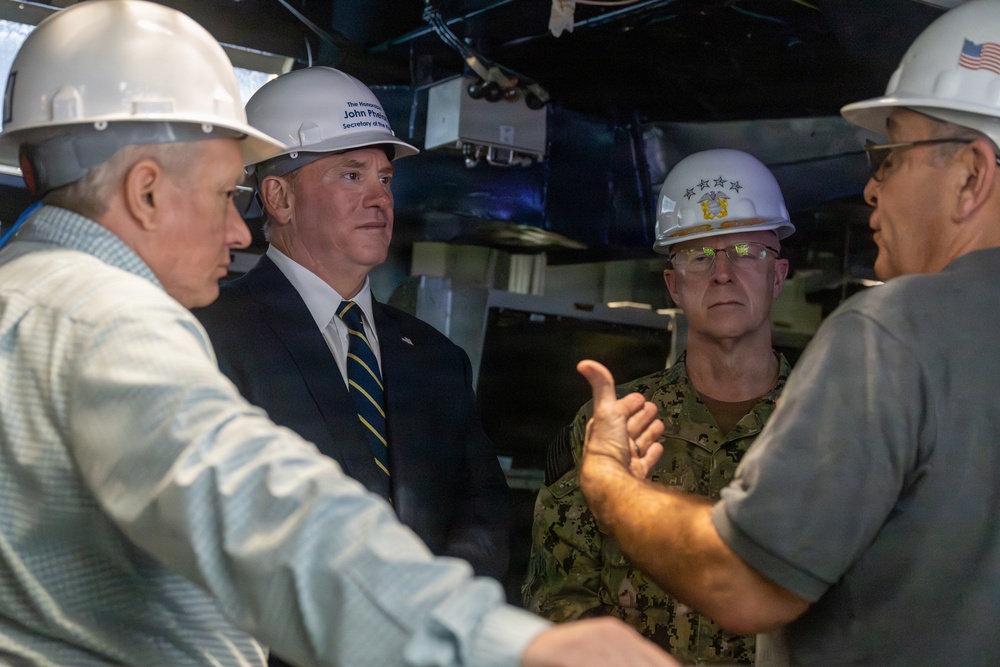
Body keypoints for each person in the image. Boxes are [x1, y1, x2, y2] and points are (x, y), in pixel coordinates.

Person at [0, 2, 682, 666]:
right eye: (220, 195)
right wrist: (514, 644)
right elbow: (261, 516)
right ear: (147, 191)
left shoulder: (26, 294)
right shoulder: (102, 320)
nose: (239, 232)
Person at [572, 1, 1000, 665]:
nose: (869, 189)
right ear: (671, 284)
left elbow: (740, 582)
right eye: (697, 256)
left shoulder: (892, 334)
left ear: (972, 175)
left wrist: (608, 483)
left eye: (887, 156)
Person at [192, 67, 511, 591]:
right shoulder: (211, 337)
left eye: (384, 178)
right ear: (279, 197)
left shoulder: (436, 357)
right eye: (351, 174)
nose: (379, 198)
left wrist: (430, 606)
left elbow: (483, 506)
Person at [522, 149, 794, 664]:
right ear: (674, 284)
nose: (722, 273)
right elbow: (556, 598)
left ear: (777, 276)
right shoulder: (613, 426)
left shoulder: (833, 424)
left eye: (744, 249)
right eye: (697, 256)